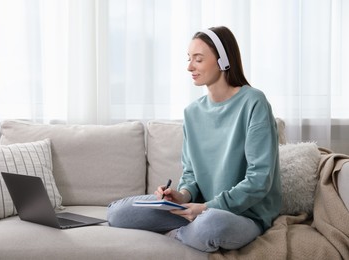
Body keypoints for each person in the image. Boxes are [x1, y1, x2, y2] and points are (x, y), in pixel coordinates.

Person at [107, 26, 281, 252]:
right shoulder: (192, 113)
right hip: (196, 210)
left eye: (198, 59)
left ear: (223, 61)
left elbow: (259, 180)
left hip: (243, 215)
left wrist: (206, 208)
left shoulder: (254, 103)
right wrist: (181, 195)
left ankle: (177, 234)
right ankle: (188, 234)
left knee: (211, 226)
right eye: (189, 59)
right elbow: (191, 173)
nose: (189, 67)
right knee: (118, 212)